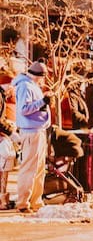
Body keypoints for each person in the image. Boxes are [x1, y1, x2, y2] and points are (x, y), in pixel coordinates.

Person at [13, 60, 50, 214]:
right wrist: (42, 102)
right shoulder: (25, 86)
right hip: (31, 131)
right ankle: (23, 201)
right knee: (29, 167)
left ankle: (35, 200)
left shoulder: (31, 86)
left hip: (37, 130)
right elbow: (23, 109)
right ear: (38, 76)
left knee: (38, 168)